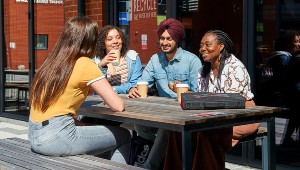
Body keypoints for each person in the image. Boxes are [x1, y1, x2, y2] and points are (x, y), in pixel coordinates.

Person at [28, 16, 131, 164]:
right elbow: (118, 106)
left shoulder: (51, 62)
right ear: (89, 41)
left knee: (94, 130)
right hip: (55, 138)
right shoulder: (84, 63)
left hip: (34, 135)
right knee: (123, 135)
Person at [163, 30, 258, 170]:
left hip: (241, 116)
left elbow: (232, 102)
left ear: (221, 47)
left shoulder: (235, 67)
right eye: (201, 45)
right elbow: (204, 99)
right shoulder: (203, 71)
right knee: (177, 130)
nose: (202, 49)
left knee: (206, 132)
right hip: (213, 117)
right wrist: (183, 92)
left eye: (208, 44)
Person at [127, 18, 202, 169]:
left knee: (165, 128)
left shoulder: (192, 61)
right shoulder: (156, 59)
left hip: (185, 117)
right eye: (162, 38)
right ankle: (162, 157)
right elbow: (143, 82)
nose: (165, 42)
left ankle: (149, 166)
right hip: (163, 114)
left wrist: (183, 91)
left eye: (169, 38)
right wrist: (133, 89)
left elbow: (199, 93)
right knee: (139, 125)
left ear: (177, 39)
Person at [79, 25, 142, 126]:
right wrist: (102, 65)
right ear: (103, 43)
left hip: (127, 105)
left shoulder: (132, 57)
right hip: (101, 105)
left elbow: (134, 84)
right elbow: (93, 85)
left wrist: (114, 90)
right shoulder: (96, 62)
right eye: (110, 39)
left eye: (118, 37)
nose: (115, 41)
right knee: (89, 121)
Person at [260, 30, 300, 107]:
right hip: (280, 100)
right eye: (296, 41)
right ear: (287, 43)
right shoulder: (284, 58)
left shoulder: (279, 56)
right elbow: (285, 79)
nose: (299, 44)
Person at [282, 49, 300, 146]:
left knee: (295, 117)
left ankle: (288, 138)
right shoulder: (297, 59)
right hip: (296, 91)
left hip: (294, 91)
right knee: (295, 116)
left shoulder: (295, 57)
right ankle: (288, 138)